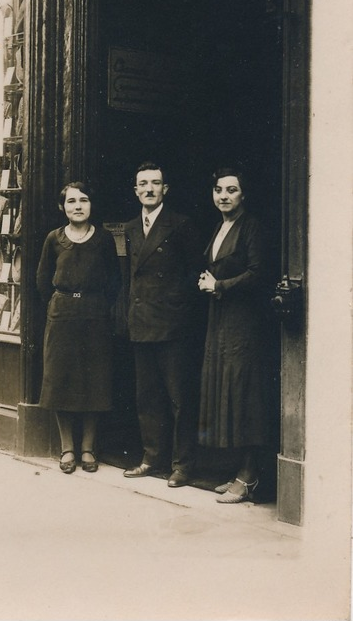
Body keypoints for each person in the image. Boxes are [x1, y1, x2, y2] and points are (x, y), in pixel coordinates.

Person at [123, 162, 204, 487]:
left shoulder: (181, 225)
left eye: (155, 183)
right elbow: (126, 276)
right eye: (143, 183)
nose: (149, 189)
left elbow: (193, 274)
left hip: (172, 326)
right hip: (141, 322)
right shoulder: (129, 228)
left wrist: (176, 307)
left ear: (165, 189)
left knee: (179, 399)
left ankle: (182, 464)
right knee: (148, 396)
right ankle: (151, 457)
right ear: (136, 190)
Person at [37, 181, 121, 475]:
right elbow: (42, 280)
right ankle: (67, 448)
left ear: (91, 205)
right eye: (71, 201)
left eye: (83, 200)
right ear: (63, 207)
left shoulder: (104, 239)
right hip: (62, 316)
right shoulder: (53, 239)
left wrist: (95, 303)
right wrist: (63, 303)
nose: (78, 206)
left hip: (94, 314)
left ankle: (87, 448)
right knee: (62, 379)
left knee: (94, 381)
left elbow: (114, 281)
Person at [198, 167, 269, 504]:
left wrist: (220, 286)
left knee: (244, 393)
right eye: (218, 190)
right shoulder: (221, 225)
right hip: (221, 318)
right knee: (227, 390)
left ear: (244, 194)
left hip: (243, 321)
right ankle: (239, 471)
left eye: (231, 190)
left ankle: (249, 475)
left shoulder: (251, 226)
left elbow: (258, 273)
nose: (223, 195)